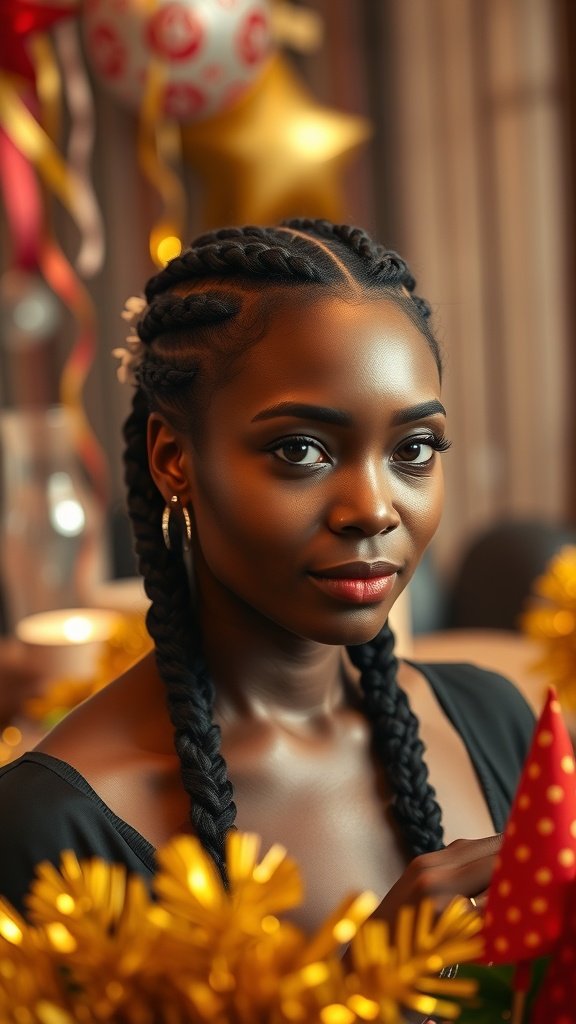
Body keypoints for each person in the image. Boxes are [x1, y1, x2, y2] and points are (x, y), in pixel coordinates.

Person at [0, 219, 535, 934]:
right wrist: (368, 993)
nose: (373, 510)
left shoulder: (496, 723)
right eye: (301, 449)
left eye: (413, 448)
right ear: (174, 461)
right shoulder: (51, 829)